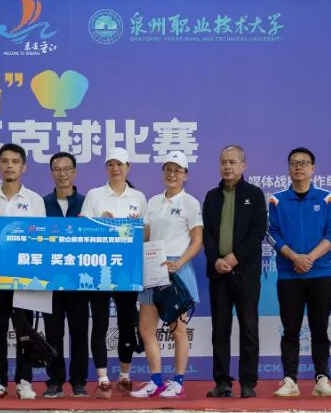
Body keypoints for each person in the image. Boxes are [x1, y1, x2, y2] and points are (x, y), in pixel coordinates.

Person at [0, 143, 46, 400]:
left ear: (23, 167)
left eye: (15, 161)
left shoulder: (34, 200)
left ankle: (24, 380)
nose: (9, 166)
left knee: (24, 330)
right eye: (5, 161)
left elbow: (43, 237)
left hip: (25, 275)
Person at [268, 147, 331, 397]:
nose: (299, 167)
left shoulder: (326, 198)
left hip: (319, 273)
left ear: (313, 168)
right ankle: (289, 379)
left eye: (304, 163)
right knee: (290, 330)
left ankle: (322, 378)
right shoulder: (276, 200)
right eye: (294, 163)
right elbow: (271, 233)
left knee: (320, 328)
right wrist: (294, 257)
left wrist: (309, 258)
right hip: (289, 275)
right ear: (288, 168)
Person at [130, 151, 202, 399]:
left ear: (185, 175)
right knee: (146, 328)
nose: (172, 174)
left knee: (177, 329)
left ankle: (178, 382)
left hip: (176, 270)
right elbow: (145, 236)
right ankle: (156, 381)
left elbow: (197, 240)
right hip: (152, 266)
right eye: (168, 169)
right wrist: (134, 226)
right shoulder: (152, 202)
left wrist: (179, 262)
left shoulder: (190, 203)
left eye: (177, 170)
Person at [81, 147, 147, 398]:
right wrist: (101, 222)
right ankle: (103, 380)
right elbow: (83, 230)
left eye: (119, 164)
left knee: (127, 323)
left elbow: (146, 234)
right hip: (99, 268)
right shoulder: (95, 195)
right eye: (110, 164)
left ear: (128, 167)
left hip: (127, 270)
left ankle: (125, 376)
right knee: (100, 322)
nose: (115, 168)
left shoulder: (138, 197)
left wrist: (134, 226)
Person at [202, 144, 265, 398]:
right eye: (223, 162)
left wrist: (235, 257)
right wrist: (216, 259)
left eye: (232, 162)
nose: (227, 166)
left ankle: (248, 382)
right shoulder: (211, 196)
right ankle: (222, 382)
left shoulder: (254, 194)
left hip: (246, 272)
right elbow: (206, 234)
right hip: (218, 273)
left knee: (248, 327)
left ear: (243, 165)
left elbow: (258, 232)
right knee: (220, 329)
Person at [40, 152, 89, 398]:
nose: (62, 173)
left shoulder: (87, 203)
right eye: (57, 169)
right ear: (51, 173)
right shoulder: (41, 204)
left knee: (79, 331)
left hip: (80, 280)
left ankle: (79, 381)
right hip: (50, 280)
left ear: (75, 172)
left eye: (67, 168)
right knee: (53, 333)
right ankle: (55, 381)